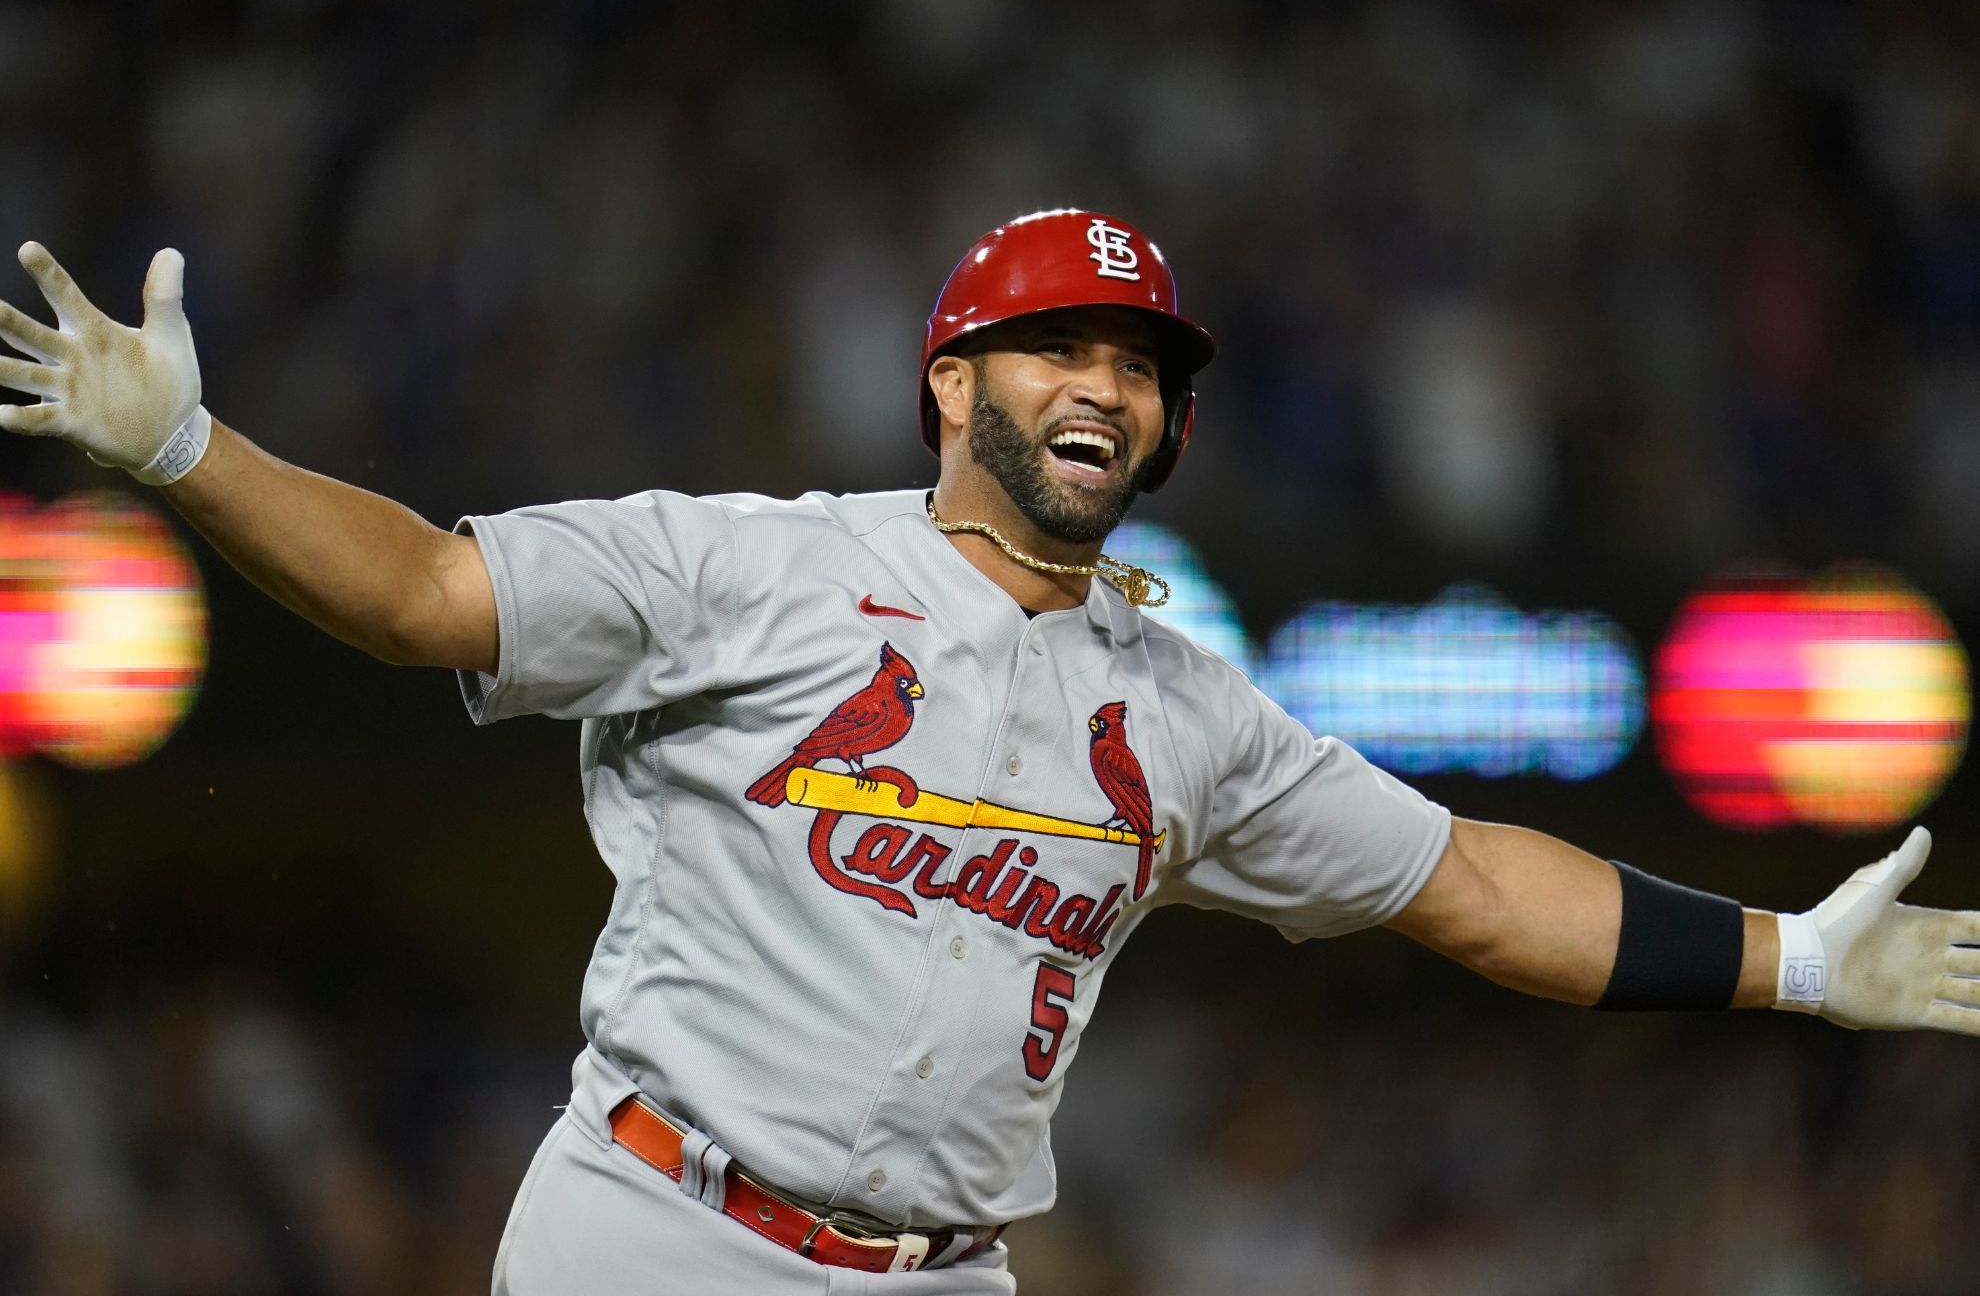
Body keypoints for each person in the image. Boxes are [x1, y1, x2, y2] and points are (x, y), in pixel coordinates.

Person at [1, 209, 1975, 1295]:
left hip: (945, 1280)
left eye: (1139, 366)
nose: (1105, 382)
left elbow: (1466, 886)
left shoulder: (1187, 713)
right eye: (1059, 346)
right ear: (953, 380)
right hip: (659, 1234)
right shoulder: (756, 569)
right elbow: (430, 595)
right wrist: (190, 453)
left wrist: (1792, 959)